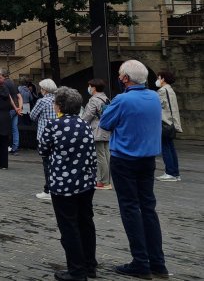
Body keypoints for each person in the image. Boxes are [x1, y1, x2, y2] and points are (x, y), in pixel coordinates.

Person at [99, 60, 168, 279]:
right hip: (148, 159)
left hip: (124, 159)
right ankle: (158, 262)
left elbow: (105, 123)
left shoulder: (122, 99)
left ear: (126, 79)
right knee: (148, 208)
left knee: (130, 209)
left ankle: (140, 262)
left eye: (120, 75)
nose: (119, 78)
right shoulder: (154, 97)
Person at [38, 87, 98, 281]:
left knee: (69, 227)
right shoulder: (84, 123)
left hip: (63, 184)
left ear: (60, 105)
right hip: (86, 182)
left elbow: (43, 150)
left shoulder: (54, 125)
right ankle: (89, 265)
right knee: (86, 222)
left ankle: (77, 270)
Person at [30, 78, 58, 200]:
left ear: (45, 90)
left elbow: (32, 115)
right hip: (58, 134)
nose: (40, 90)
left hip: (44, 134)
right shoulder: (58, 100)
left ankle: (48, 190)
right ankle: (56, 187)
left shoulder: (42, 101)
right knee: (56, 162)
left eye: (41, 88)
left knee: (47, 163)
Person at [82, 79, 111, 190]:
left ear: (93, 88)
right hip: (106, 129)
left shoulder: (94, 100)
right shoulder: (106, 98)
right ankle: (107, 181)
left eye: (90, 86)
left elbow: (87, 116)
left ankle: (104, 182)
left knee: (100, 156)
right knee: (107, 155)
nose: (89, 88)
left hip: (97, 130)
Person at [155, 70, 182, 182]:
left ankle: (170, 172)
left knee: (165, 148)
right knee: (170, 147)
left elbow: (157, 105)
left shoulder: (162, 91)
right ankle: (175, 173)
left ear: (163, 79)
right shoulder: (170, 90)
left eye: (159, 77)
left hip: (165, 123)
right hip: (171, 123)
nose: (157, 80)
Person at [0, 68, 23, 155]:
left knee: (2, 128)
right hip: (15, 110)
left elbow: (9, 98)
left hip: (9, 109)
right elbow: (19, 97)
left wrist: (16, 108)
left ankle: (2, 147)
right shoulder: (13, 83)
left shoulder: (3, 84)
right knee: (14, 129)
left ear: (2, 75)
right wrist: (19, 108)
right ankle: (15, 148)